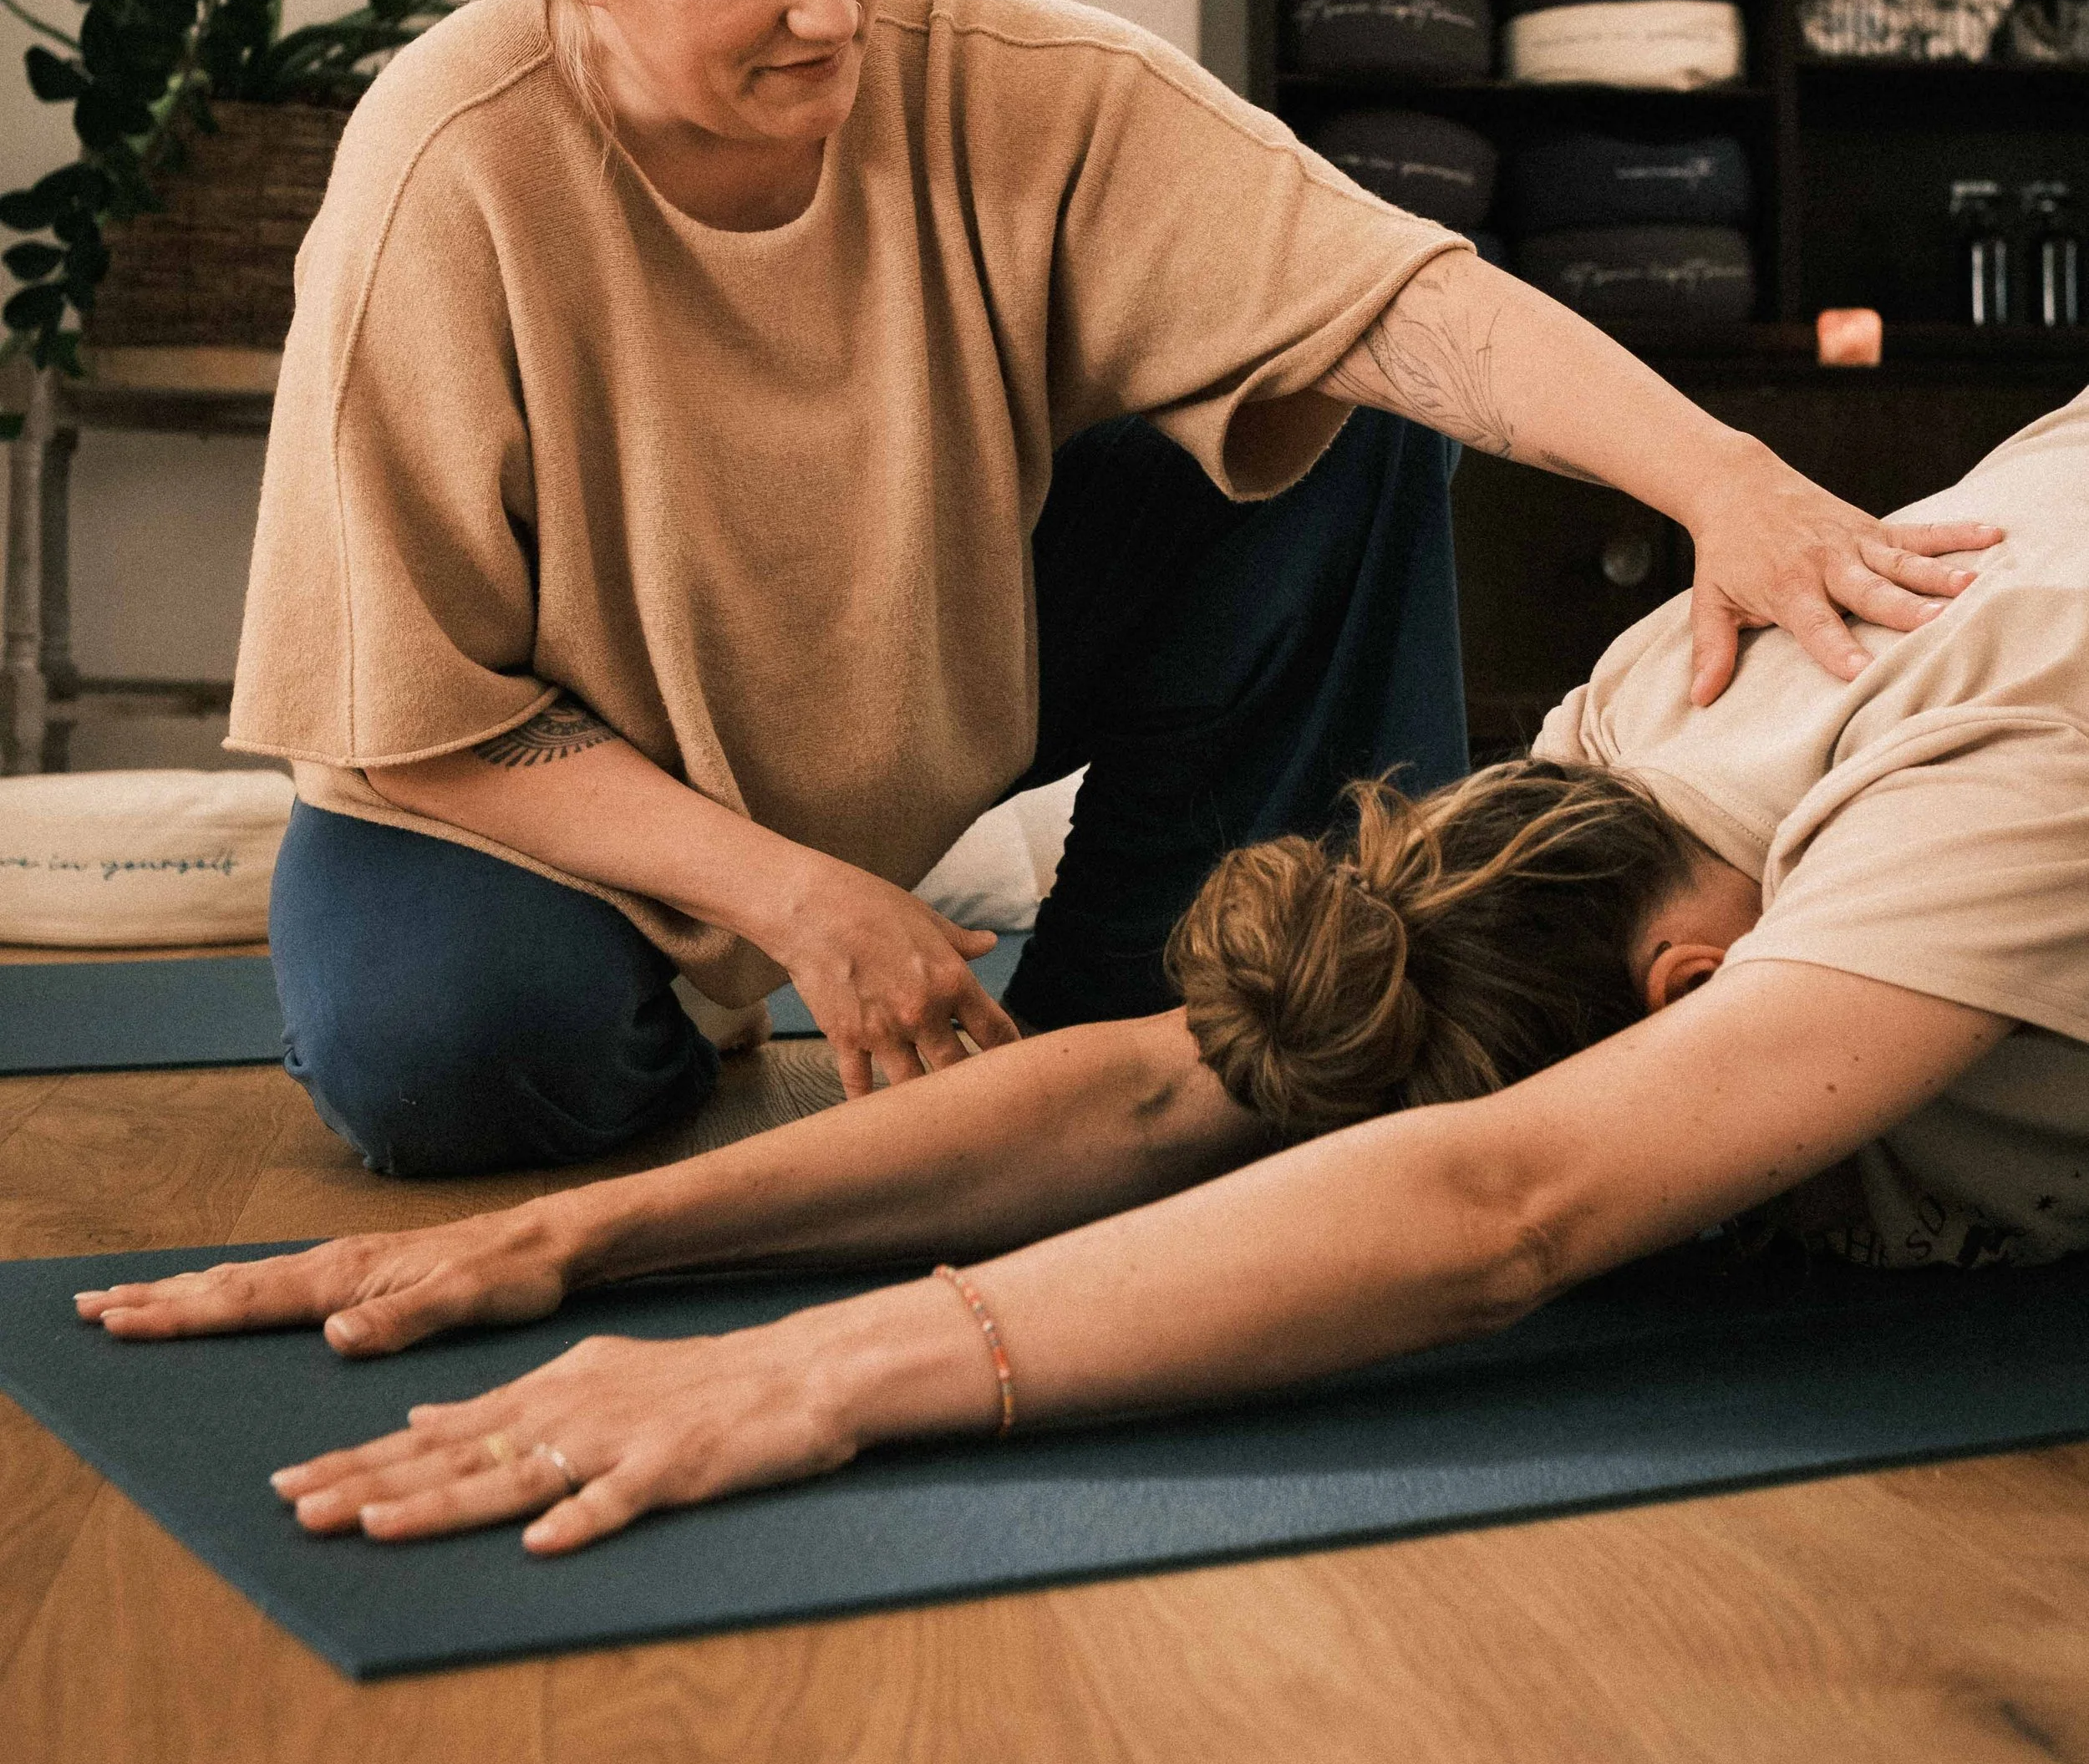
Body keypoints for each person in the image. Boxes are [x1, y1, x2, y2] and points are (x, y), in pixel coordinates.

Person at [233, 0, 1988, 1177]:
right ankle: (710, 1001)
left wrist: (1722, 482)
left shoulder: (992, 73)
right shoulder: (444, 167)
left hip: (912, 653)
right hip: (528, 781)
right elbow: (413, 711)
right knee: (449, 1064)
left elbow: (1395, 295)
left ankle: (1121, 1016)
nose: (830, 8)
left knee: (1346, 411)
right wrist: (797, 903)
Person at [79, 394, 2081, 1562]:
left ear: (1682, 996)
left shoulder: (1985, 777)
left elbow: (1504, 1205)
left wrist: (812, 1369)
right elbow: (1158, 1085)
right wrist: (589, 1242)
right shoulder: (1662, 696)